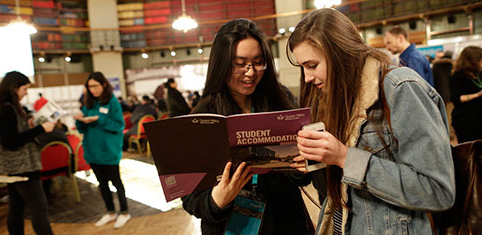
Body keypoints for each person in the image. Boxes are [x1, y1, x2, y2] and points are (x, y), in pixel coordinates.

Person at [288, 8, 455, 234]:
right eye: (303, 68)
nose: (307, 78)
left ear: (339, 53)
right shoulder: (337, 97)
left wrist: (344, 157)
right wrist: (315, 160)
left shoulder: (400, 89)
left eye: (312, 66)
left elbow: (437, 190)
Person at [182, 19, 312, 235]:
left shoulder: (280, 99)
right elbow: (189, 198)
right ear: (222, 63)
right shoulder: (202, 117)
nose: (250, 72)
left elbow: (300, 174)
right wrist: (216, 200)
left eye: (258, 62)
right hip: (230, 226)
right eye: (239, 64)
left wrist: (302, 165)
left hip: (285, 221)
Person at [0, 71, 56, 235]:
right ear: (15, 88)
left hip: (15, 167)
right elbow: (11, 141)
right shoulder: (7, 109)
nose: (25, 93)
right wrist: (41, 128)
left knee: (16, 207)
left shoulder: (6, 107)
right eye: (24, 89)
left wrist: (29, 124)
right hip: (22, 167)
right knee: (39, 208)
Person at [73, 72, 130, 228]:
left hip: (109, 150)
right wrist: (80, 120)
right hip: (92, 151)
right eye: (90, 87)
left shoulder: (112, 102)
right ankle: (110, 212)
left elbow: (119, 125)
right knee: (102, 184)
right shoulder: (88, 103)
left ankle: (124, 212)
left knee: (116, 182)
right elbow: (81, 128)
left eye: (95, 86)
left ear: (104, 85)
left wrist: (100, 119)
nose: (93, 90)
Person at [449, 46, 482, 143]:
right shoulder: (458, 76)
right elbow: (456, 98)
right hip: (466, 121)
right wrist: (477, 95)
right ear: (473, 60)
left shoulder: (479, 74)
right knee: (470, 151)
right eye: (481, 57)